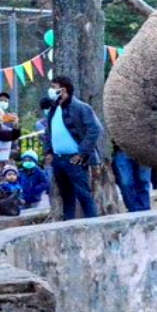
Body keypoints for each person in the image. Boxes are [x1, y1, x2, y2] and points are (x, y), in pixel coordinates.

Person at [43, 76, 103, 220]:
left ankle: (93, 223)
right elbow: (48, 132)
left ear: (63, 89)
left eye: (54, 86)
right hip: (58, 159)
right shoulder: (54, 109)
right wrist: (49, 151)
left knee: (83, 194)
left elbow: (94, 129)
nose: (51, 90)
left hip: (74, 158)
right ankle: (68, 223)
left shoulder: (80, 107)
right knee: (66, 195)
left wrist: (82, 153)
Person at [112, 142, 152, 212]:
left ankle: (145, 208)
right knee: (126, 183)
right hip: (121, 149)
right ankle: (133, 209)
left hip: (144, 149)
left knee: (144, 180)